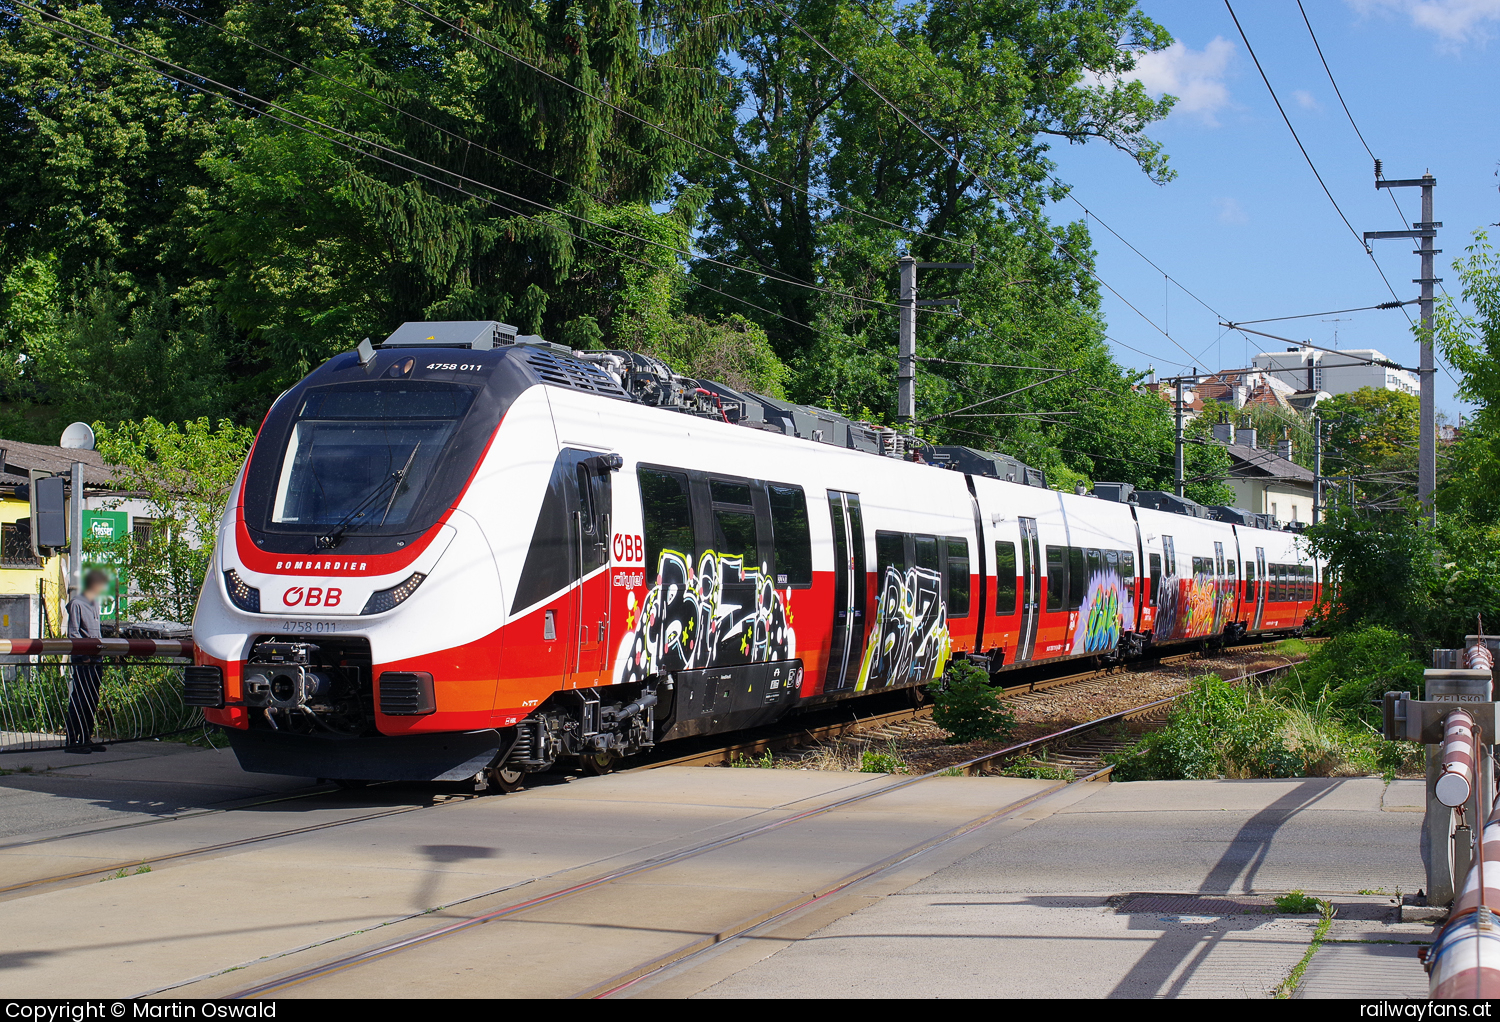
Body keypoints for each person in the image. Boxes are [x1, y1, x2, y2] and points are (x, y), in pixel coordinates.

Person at [63, 569, 109, 753]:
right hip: (84, 661)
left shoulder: (94, 603)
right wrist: (85, 657)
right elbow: (74, 634)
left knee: (91, 699)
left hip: (96, 659)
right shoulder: (77, 604)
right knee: (80, 699)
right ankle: (72, 741)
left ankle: (86, 737)